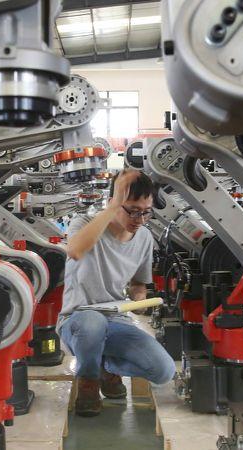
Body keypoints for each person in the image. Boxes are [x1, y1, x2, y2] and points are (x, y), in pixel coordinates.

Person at [58, 169, 176, 417]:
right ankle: (88, 382)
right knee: (92, 322)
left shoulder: (144, 238)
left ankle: (103, 367)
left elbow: (138, 286)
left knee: (163, 370)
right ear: (114, 202)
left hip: (116, 320)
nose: (140, 219)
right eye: (132, 210)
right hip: (77, 321)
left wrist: (141, 300)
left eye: (146, 212)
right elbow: (75, 251)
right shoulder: (84, 224)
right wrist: (111, 208)